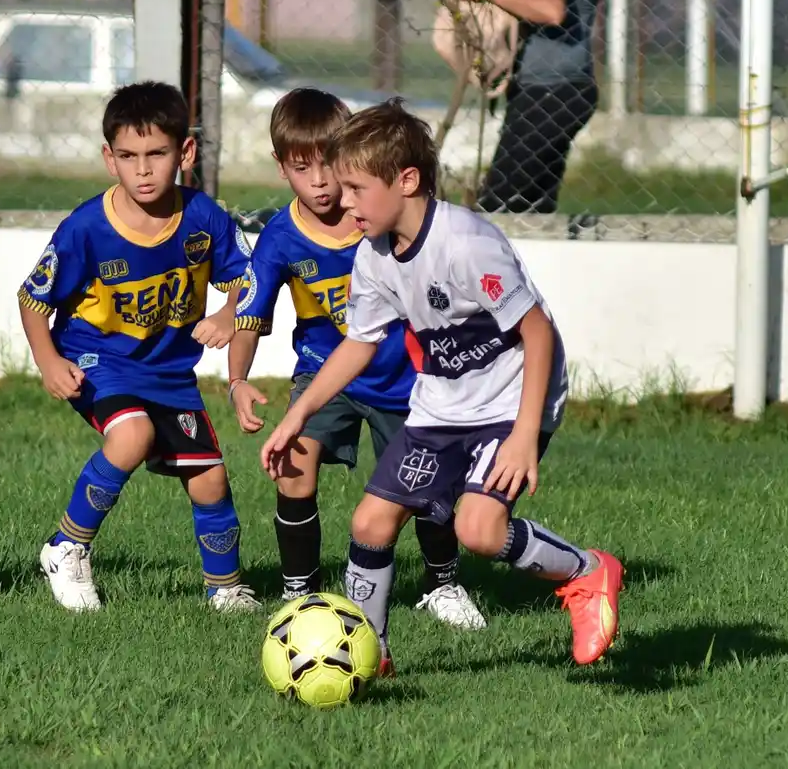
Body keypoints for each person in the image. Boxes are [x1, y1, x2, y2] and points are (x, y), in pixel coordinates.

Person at [260, 99, 622, 674]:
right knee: (370, 523)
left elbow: (536, 332)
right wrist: (298, 414)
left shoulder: (466, 243)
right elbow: (358, 344)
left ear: (405, 181)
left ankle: (587, 572)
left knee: (478, 529)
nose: (344, 201)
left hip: (509, 402)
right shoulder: (374, 255)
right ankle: (369, 653)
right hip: (441, 405)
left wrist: (525, 434)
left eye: (355, 188)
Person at [228, 87, 486, 630]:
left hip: (404, 379)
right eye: (302, 168)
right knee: (292, 464)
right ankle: (300, 591)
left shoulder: (380, 219)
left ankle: (442, 583)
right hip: (327, 375)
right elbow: (247, 315)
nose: (320, 182)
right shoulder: (281, 237)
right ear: (281, 167)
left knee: (427, 485)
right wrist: (237, 379)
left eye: (330, 165)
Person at [20, 81, 260, 614]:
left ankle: (224, 589)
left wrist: (227, 313)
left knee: (210, 478)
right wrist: (48, 361)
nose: (143, 170)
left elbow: (250, 278)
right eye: (128, 157)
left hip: (169, 373)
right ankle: (66, 547)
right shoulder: (86, 228)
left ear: (185, 153)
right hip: (97, 359)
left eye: (157, 154)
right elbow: (32, 299)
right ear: (110, 159)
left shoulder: (204, 217)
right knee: (133, 434)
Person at [466, 0, 603, 214]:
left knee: (496, 206)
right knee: (533, 208)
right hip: (573, 88)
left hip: (547, 92)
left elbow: (551, 9)